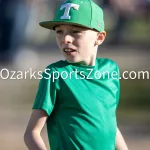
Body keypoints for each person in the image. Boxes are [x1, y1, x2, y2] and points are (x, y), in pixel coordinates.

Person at [24, 0, 128, 149]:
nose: (65, 39)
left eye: (75, 31)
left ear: (99, 37)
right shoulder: (55, 75)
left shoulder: (110, 69)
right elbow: (32, 133)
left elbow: (110, 122)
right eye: (59, 31)